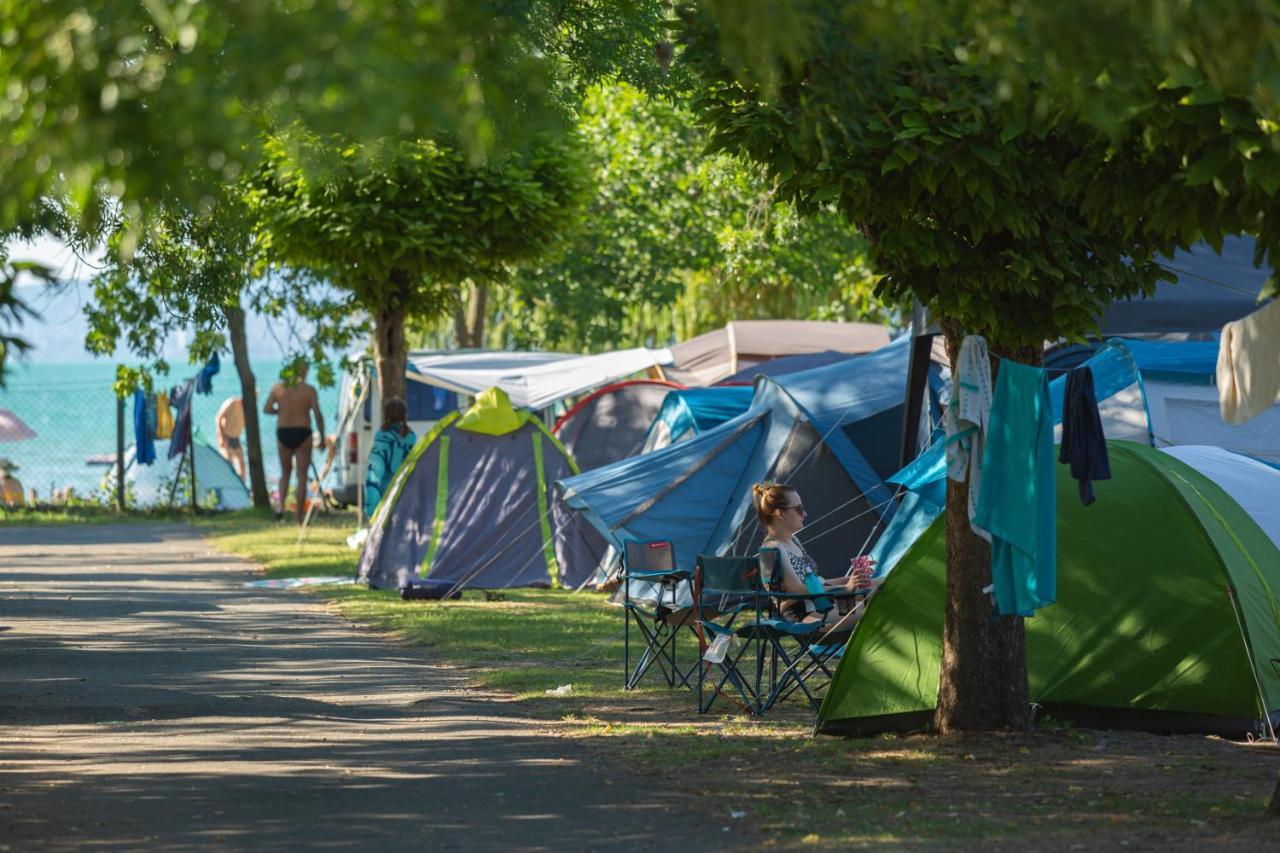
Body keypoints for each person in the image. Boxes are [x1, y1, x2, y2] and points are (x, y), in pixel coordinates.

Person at [752, 482, 882, 637]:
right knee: (876, 607)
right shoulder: (773, 548)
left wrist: (852, 579)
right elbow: (797, 590)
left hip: (821, 604)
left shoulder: (793, 541)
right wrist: (846, 588)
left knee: (886, 583)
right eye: (799, 509)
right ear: (780, 513)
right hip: (803, 617)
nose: (805, 514)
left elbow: (815, 582)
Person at [263, 360, 325, 523]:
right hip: (303, 431)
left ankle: (281, 509)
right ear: (304, 372)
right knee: (302, 475)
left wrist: (281, 412)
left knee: (285, 472)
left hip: (283, 431)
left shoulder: (278, 388)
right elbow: (318, 414)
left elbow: (267, 408)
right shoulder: (309, 390)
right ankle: (299, 515)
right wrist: (322, 437)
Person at [364, 397, 415, 520]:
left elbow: (375, 468)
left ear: (385, 414)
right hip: (404, 491)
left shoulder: (381, 435)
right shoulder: (411, 437)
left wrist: (371, 508)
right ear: (405, 415)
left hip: (383, 491)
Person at [214, 396, 247, 481]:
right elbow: (218, 417)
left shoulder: (247, 409)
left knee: (242, 465)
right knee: (228, 466)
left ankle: (242, 487)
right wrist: (220, 436)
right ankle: (228, 486)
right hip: (226, 437)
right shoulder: (232, 403)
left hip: (236, 438)